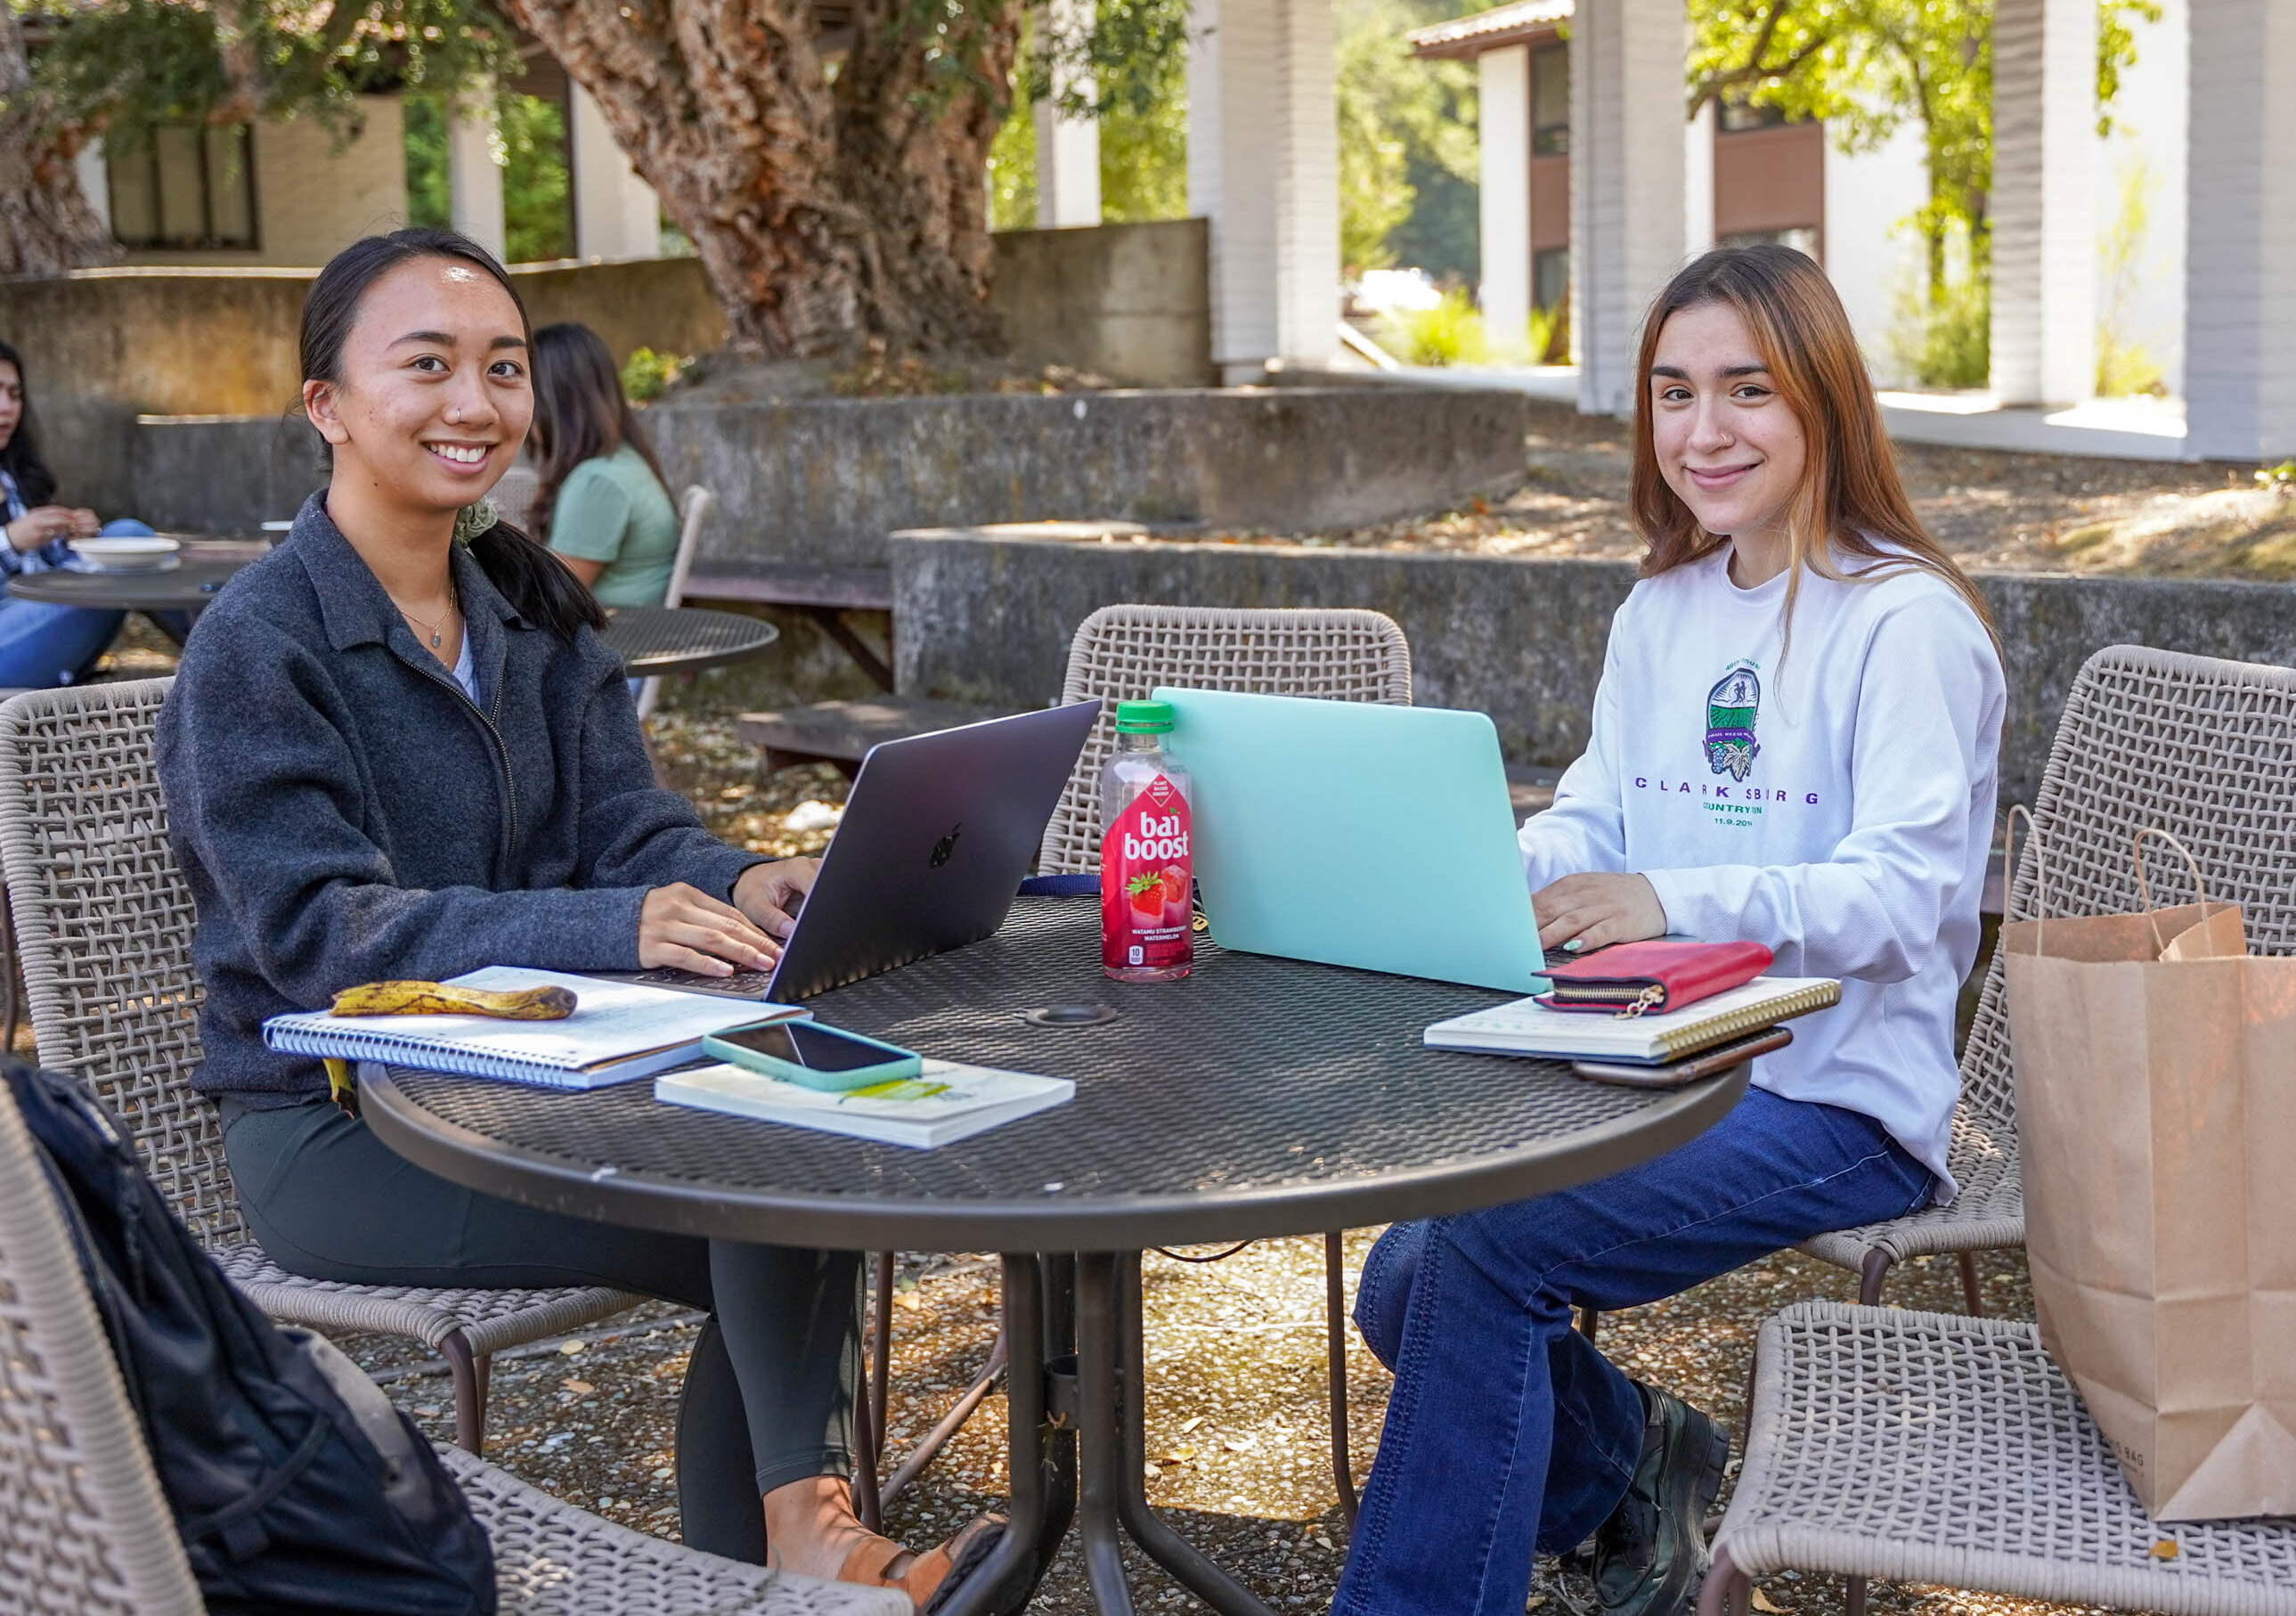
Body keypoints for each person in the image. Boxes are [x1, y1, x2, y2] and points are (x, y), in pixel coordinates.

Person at [154, 229, 1009, 1612]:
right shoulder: (258, 644)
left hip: (550, 1085)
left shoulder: (528, 607)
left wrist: (735, 879)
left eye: (499, 367)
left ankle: (794, 1557)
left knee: (802, 1170)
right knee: (776, 1199)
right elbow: (321, 933)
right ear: (326, 403)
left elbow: (630, 826)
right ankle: (804, 1558)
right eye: (424, 365)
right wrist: (613, 927)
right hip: (335, 1122)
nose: (473, 402)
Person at [1331, 245, 2006, 1616]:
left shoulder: (1905, 625)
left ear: (1823, 399)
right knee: (1408, 1268)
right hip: (1647, 1055)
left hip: (1829, 1099)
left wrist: (1673, 897)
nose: (1705, 432)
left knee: (1469, 1251)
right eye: (1673, 391)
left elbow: (1903, 898)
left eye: (1746, 391)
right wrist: (1479, 873)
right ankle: (1638, 1465)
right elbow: (1596, 824)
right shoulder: (1662, 609)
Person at [0, 339, 162, 686]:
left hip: (37, 620)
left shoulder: (13, 475)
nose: (6, 408)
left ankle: (221, 643)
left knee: (127, 536)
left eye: (15, 395)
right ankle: (235, 653)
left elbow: (41, 572)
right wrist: (10, 540)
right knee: (122, 565)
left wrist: (73, 537)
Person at [526, 321, 681, 606]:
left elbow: (547, 603)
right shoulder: (621, 460)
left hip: (615, 640)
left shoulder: (598, 482)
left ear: (552, 403)